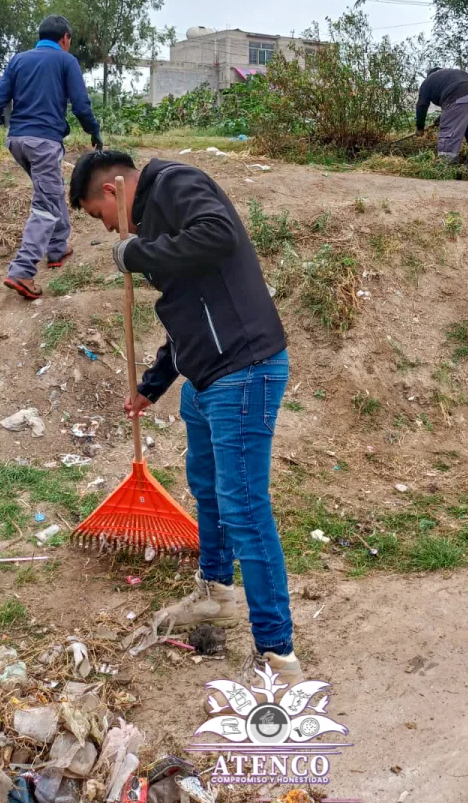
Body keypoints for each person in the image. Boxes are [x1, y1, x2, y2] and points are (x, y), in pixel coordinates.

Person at [68, 148, 303, 687]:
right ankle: (217, 593)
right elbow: (190, 307)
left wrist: (138, 252)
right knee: (210, 489)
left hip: (244, 370)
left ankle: (278, 658)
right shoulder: (155, 215)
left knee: (244, 506)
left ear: (113, 192)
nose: (109, 231)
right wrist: (152, 385)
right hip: (207, 379)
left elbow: (220, 232)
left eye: (101, 218)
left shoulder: (175, 183)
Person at [0, 14, 103, 300]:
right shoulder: (66, 61)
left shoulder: (18, 60)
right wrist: (94, 132)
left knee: (52, 190)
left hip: (16, 141)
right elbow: (82, 105)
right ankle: (22, 270)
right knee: (45, 204)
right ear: (65, 38)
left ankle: (57, 249)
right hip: (44, 143)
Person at [416, 67, 468, 171]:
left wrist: (420, 127)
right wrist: (439, 119)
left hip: (459, 95)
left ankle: (446, 167)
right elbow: (451, 108)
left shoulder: (428, 81)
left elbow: (422, 105)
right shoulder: (451, 76)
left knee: (450, 133)